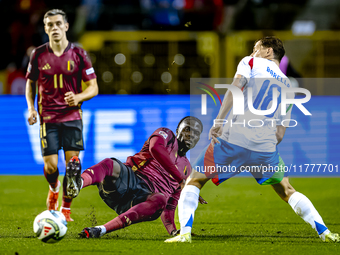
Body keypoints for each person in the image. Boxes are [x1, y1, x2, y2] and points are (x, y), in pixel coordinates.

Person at [165, 36, 340, 243]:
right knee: (287, 190)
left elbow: (236, 87)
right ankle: (325, 232)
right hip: (265, 147)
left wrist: (219, 121)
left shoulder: (250, 62)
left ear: (268, 51)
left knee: (194, 180)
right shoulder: (289, 86)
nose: (252, 52)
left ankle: (184, 234)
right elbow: (280, 134)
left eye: (255, 48)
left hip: (233, 139)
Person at [63, 116, 206, 238]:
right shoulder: (167, 135)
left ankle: (101, 229)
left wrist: (173, 231)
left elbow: (170, 207)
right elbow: (155, 148)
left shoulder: (187, 170)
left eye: (196, 133)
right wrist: (181, 179)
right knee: (110, 163)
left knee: (161, 199)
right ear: (177, 130)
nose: (191, 135)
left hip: (142, 200)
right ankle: (77, 184)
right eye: (187, 129)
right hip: (130, 179)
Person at [25, 9, 99, 222]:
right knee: (51, 167)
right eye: (50, 25)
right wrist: (31, 109)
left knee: (73, 166)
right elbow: (30, 85)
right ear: (46, 28)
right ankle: (54, 186)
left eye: (58, 24)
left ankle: (65, 208)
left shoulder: (79, 54)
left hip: (72, 117)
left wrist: (78, 97)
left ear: (66, 26)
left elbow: (94, 88)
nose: (55, 28)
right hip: (48, 117)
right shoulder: (38, 54)